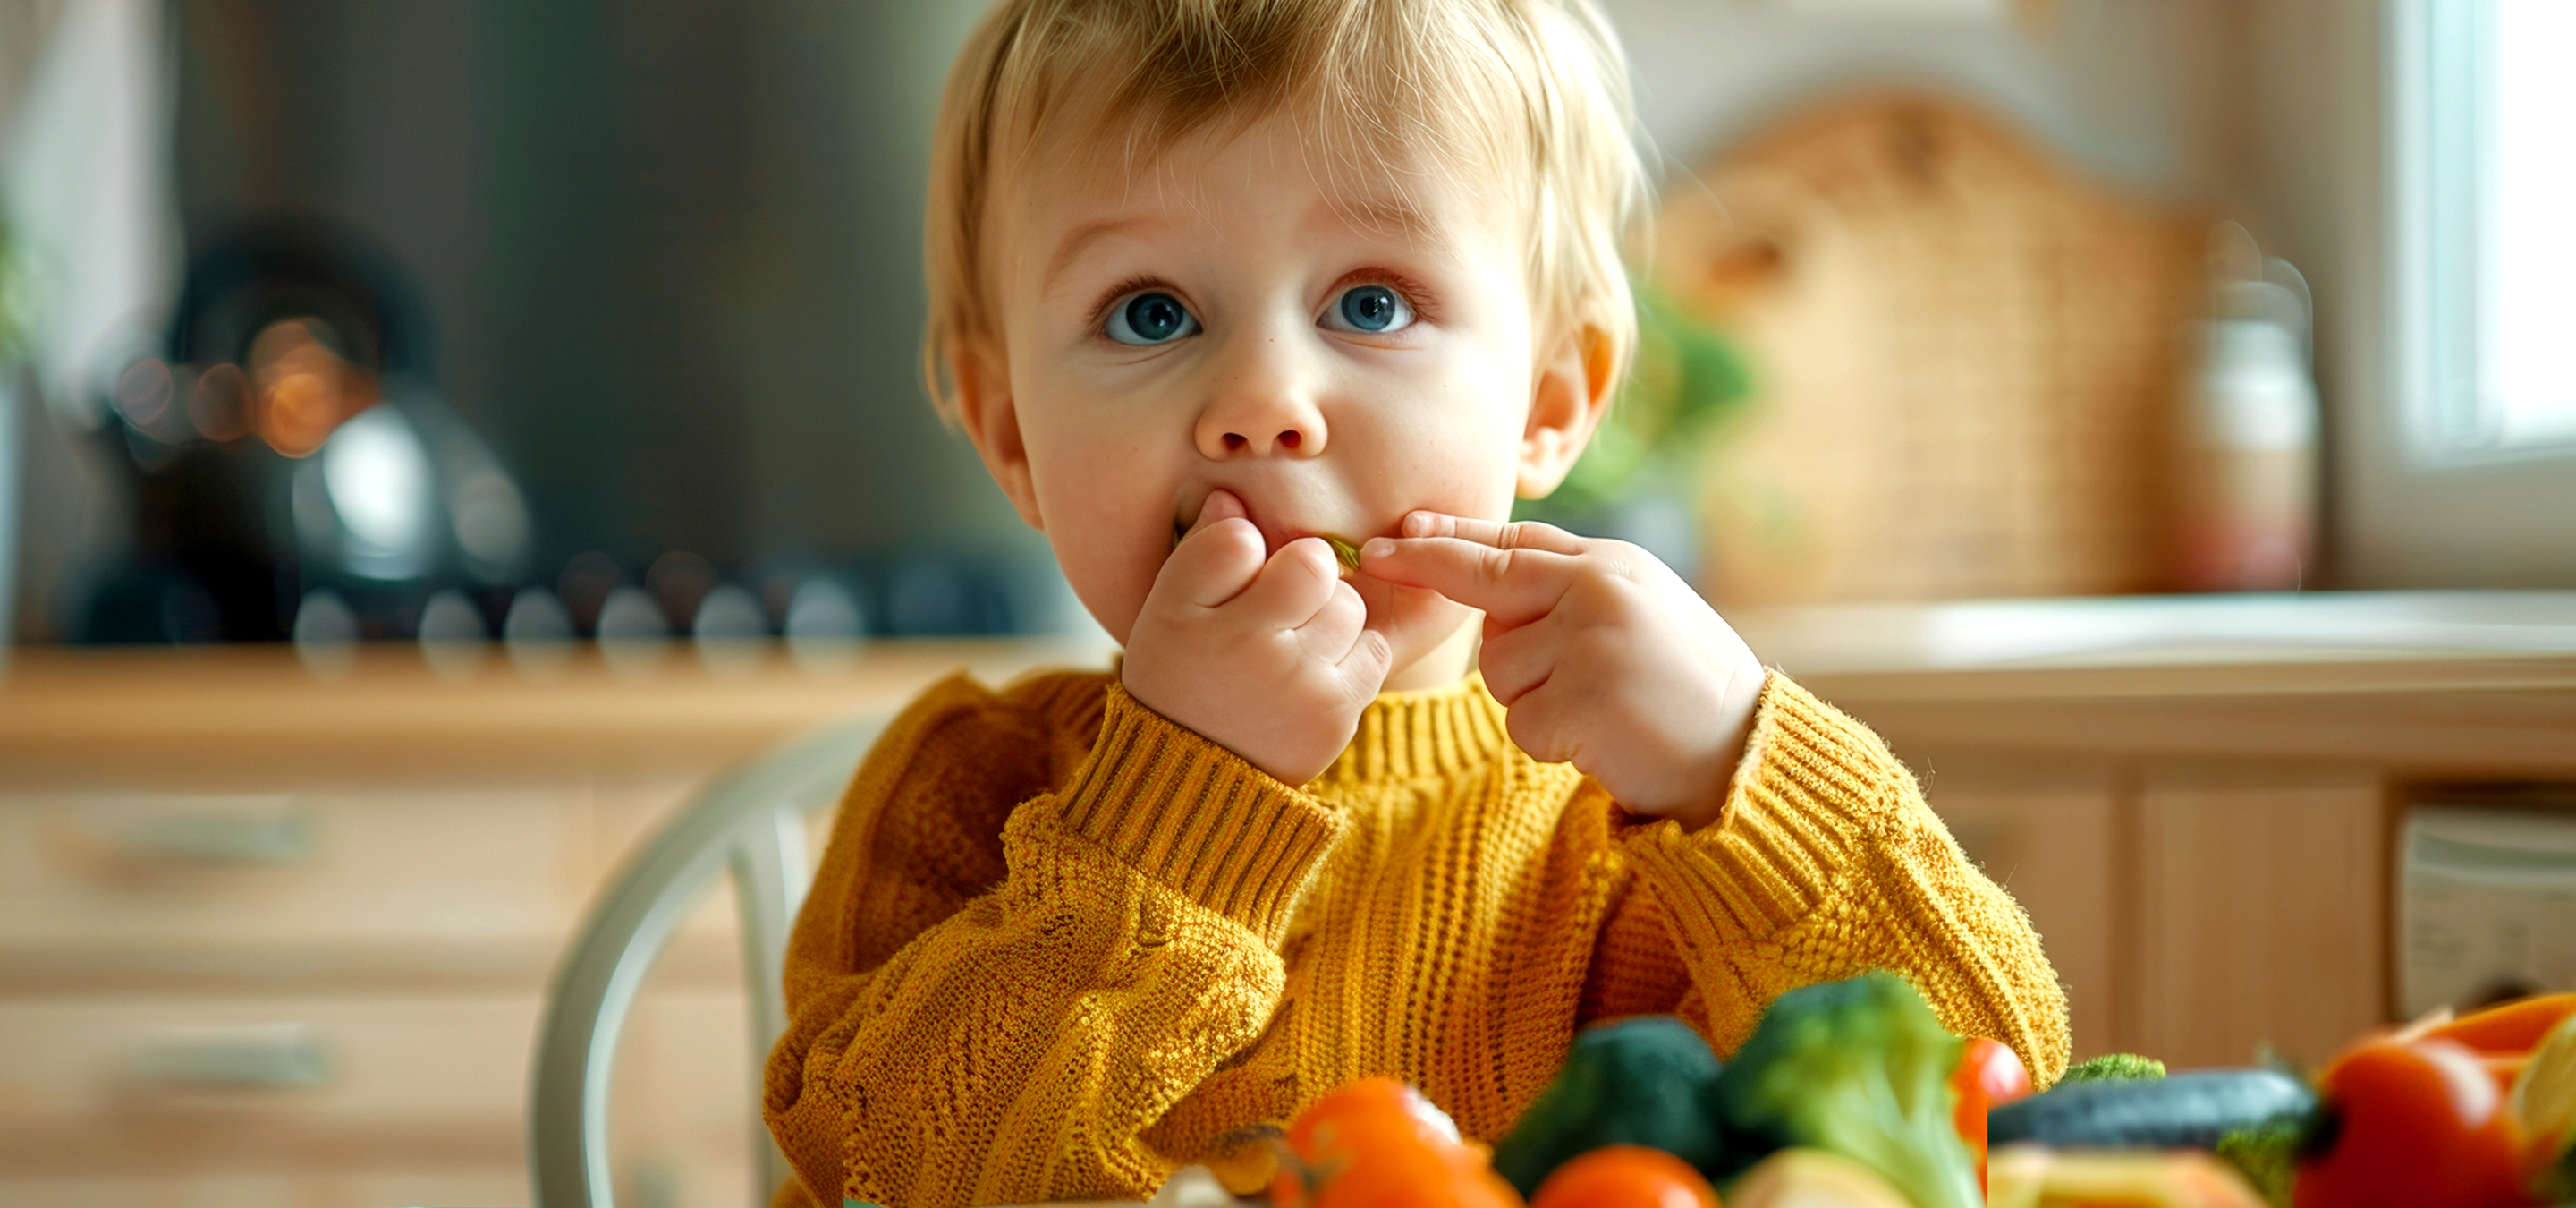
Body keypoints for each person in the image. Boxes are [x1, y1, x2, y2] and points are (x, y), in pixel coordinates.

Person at [764, 1, 2068, 1203]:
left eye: (1370, 301)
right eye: (1150, 311)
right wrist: (1171, 811)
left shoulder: (1636, 827)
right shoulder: (963, 791)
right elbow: (873, 1166)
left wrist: (1743, 765)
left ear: (1553, 397)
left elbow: (1996, 1107)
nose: (1264, 400)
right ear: (1007, 434)